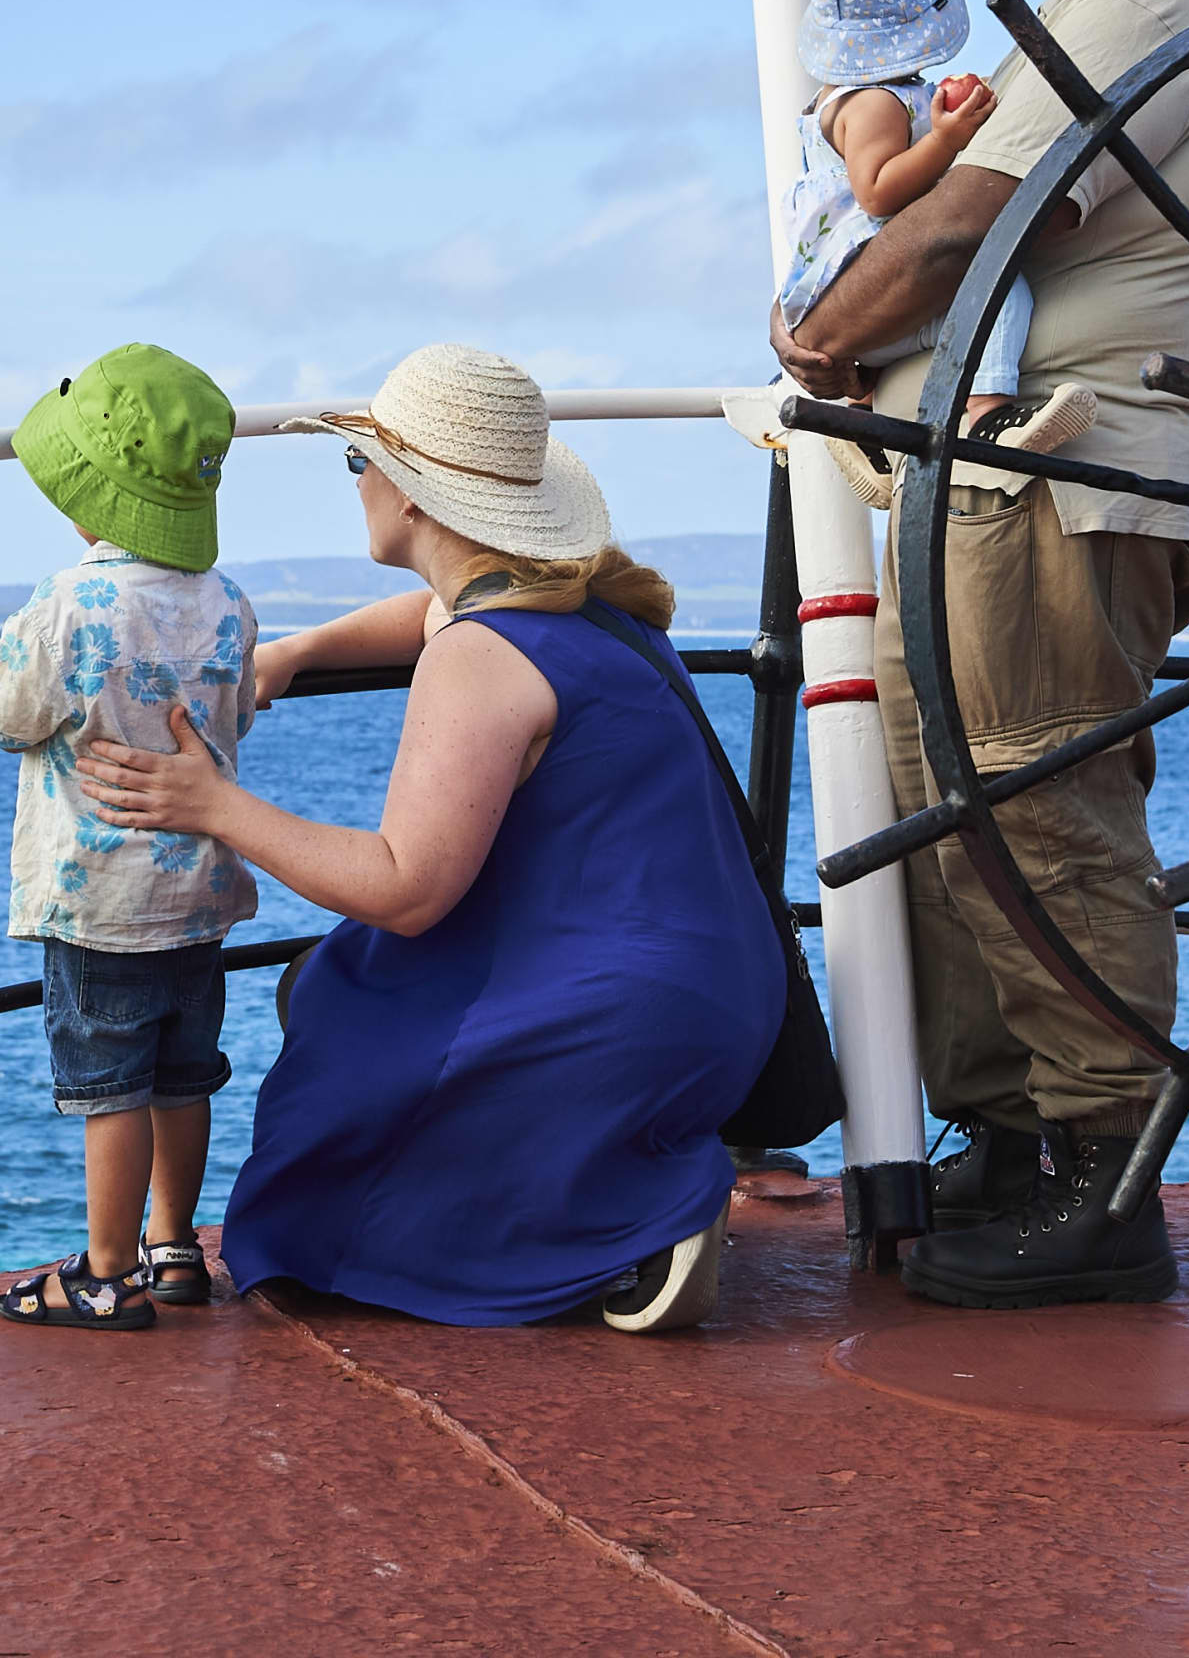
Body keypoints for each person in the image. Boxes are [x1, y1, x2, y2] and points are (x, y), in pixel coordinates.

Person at [776, 0, 1189, 1309]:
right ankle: (1014, 1142)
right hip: (1018, 465)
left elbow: (958, 227)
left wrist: (813, 335)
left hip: (1067, 465)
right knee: (952, 795)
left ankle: (1103, 1170)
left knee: (1028, 802)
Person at [77, 343, 782, 1335]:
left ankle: (634, 1229)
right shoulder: (584, 606)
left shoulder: (481, 655)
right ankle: (631, 1179)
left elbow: (407, 887)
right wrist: (302, 649)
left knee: (322, 1170)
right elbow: (431, 610)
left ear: (410, 495)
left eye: (360, 462)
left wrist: (211, 803)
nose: (356, 480)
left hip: (621, 1029)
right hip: (722, 1000)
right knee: (348, 989)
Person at [0, 342, 260, 1333]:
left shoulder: (68, 607)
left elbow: (10, 717)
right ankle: (175, 1248)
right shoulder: (229, 604)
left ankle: (106, 1272)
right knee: (184, 1073)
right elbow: (234, 716)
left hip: (99, 899)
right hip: (198, 893)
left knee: (109, 1088)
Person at [776, 0, 1098, 496]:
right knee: (998, 295)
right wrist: (950, 139)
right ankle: (991, 417)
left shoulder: (858, 96)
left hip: (850, 286)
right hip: (874, 279)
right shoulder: (874, 103)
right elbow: (877, 191)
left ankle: (866, 428)